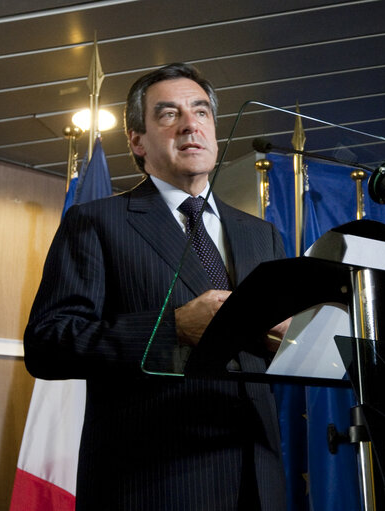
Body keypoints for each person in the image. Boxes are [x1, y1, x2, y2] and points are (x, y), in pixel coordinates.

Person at [24, 63, 288, 510]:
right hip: (153, 482)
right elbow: (48, 344)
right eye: (168, 114)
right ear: (137, 140)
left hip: (258, 481)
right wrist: (174, 327)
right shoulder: (96, 222)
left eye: (201, 112)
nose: (190, 125)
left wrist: (295, 339)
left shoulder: (262, 234)